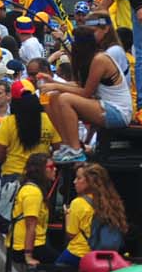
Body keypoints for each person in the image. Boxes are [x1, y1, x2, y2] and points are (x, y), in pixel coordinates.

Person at [43, 14, 131, 162]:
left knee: (64, 99)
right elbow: (81, 85)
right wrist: (53, 82)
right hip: (103, 106)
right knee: (51, 98)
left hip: (118, 111)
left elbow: (85, 92)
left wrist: (57, 85)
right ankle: (66, 145)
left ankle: (76, 150)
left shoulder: (100, 59)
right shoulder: (90, 59)